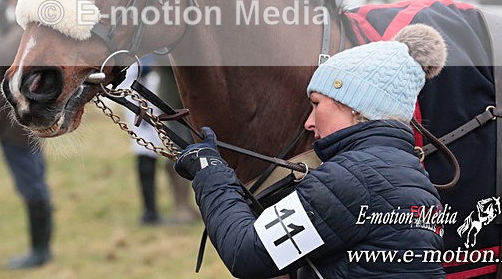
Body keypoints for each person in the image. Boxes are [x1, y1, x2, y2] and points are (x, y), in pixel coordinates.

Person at [174, 24, 448, 277]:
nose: (309, 122)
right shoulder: (415, 179)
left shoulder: (350, 181)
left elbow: (246, 252)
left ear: (353, 104)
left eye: (316, 104)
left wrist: (210, 172)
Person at [0, 0, 54, 269]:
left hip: (16, 124)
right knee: (35, 182)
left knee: (33, 186)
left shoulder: (31, 28)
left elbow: (1, 52)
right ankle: (42, 249)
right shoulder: (34, 26)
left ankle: (40, 251)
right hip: (22, 121)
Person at [121, 58, 199, 226]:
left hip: (173, 84)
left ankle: (182, 205)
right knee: (169, 149)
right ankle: (174, 207)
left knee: (183, 147)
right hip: (154, 83)